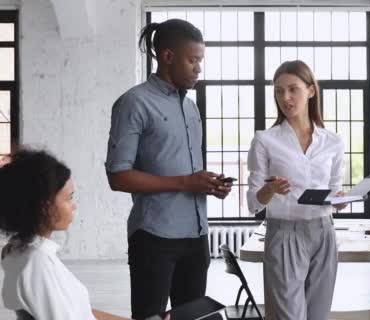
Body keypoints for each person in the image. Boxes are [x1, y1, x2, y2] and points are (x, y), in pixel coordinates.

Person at [105, 19, 232, 319]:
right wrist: (187, 183)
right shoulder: (133, 103)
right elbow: (117, 176)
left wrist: (209, 185)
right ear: (167, 56)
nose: (198, 68)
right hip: (154, 237)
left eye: (200, 61)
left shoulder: (190, 107)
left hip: (197, 236)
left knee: (191, 317)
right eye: (193, 60)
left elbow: (185, 171)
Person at [0, 149, 156, 320]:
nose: (73, 206)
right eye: (69, 198)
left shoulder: (19, 250)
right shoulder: (36, 263)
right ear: (45, 207)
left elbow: (83, 312)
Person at [247, 60, 347, 320]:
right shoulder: (265, 140)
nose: (285, 97)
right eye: (279, 91)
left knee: (318, 315)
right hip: (284, 234)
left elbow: (335, 191)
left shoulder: (333, 142)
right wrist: (270, 190)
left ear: (311, 90)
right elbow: (253, 201)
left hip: (324, 231)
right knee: (290, 316)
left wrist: (341, 200)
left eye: (293, 89)